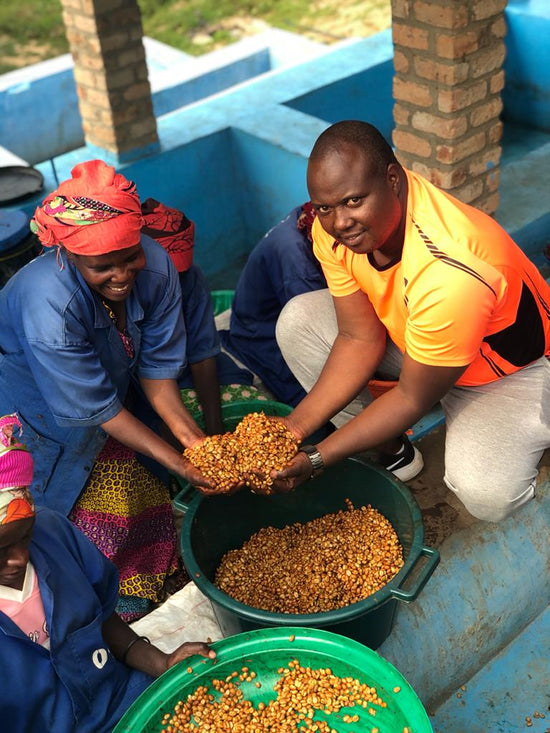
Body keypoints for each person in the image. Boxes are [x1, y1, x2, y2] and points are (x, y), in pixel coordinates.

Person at [271, 120, 550, 521]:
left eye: (353, 201)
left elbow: (411, 398)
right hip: (421, 342)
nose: (340, 222)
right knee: (299, 322)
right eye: (325, 207)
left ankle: (528, 426)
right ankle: (390, 449)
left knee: (487, 494)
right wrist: (291, 430)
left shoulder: (449, 271)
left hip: (502, 370)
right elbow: (358, 338)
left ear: (393, 179)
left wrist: (316, 458)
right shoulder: (333, 230)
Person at [0, 160, 223, 620]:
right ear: (69, 256)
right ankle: (98, 619)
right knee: (54, 520)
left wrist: (197, 446)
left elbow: (159, 378)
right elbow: (99, 409)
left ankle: (139, 593)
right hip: (34, 409)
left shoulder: (157, 267)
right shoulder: (49, 306)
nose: (123, 274)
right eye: (104, 266)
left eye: (130, 257)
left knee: (137, 494)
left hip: (105, 403)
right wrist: (179, 460)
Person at [0, 413, 214, 733]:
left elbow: (101, 619)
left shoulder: (54, 533)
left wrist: (161, 662)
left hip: (118, 699)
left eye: (25, 536)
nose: (18, 559)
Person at [141, 198, 255, 436]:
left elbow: (202, 355)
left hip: (187, 369)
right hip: (146, 382)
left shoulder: (190, 279)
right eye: (166, 273)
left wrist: (216, 435)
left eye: (179, 272)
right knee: (157, 430)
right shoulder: (126, 292)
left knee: (244, 403)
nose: (174, 282)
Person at [218, 203, 327, 407]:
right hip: (260, 333)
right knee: (316, 395)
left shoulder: (306, 215)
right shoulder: (298, 261)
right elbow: (316, 326)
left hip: (254, 312)